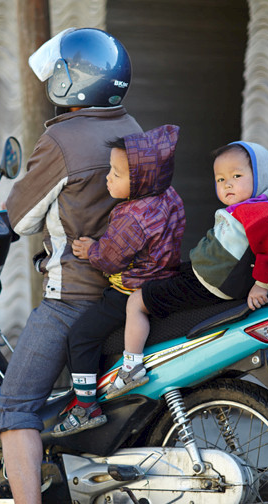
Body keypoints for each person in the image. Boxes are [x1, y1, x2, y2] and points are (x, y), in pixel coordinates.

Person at [0, 28, 142, 504]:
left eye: (57, 74)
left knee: (15, 406)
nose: (51, 82)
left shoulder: (65, 141)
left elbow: (19, 219)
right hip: (128, 291)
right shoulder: (129, 127)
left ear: (73, 81)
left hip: (74, 293)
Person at [115, 141, 268, 388]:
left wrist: (262, 286)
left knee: (136, 301)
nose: (228, 184)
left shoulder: (257, 213)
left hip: (211, 286)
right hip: (207, 278)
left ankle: (131, 369)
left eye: (237, 175)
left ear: (261, 176)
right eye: (221, 179)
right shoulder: (249, 210)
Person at [52, 124, 186, 436]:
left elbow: (109, 258)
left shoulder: (132, 217)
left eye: (116, 173)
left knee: (81, 337)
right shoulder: (169, 195)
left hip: (129, 289)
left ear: (141, 180)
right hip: (163, 282)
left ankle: (86, 408)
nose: (108, 178)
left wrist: (90, 250)